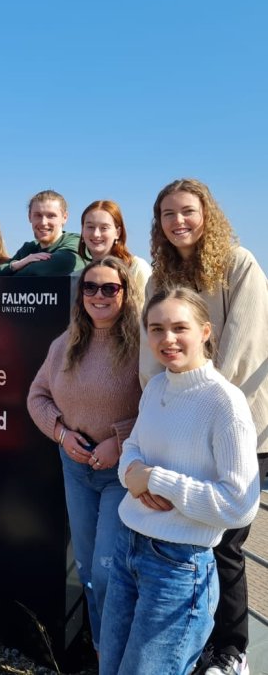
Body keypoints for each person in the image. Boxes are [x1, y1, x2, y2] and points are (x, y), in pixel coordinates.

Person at [140, 178, 268, 675]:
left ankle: (232, 651)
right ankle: (196, 642)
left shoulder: (239, 265)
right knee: (189, 540)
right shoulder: (161, 276)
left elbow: (241, 353)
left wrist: (197, 406)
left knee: (226, 544)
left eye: (188, 211)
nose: (179, 221)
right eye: (168, 213)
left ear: (206, 214)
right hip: (176, 427)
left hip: (235, 425)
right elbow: (151, 356)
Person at [100, 287, 260, 675]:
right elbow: (132, 449)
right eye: (156, 329)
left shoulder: (225, 402)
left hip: (179, 567)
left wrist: (157, 480)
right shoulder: (157, 386)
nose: (167, 339)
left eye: (179, 328)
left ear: (204, 331)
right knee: (110, 664)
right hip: (128, 547)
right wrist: (133, 476)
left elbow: (240, 504)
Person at [27, 256, 142, 655]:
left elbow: (160, 406)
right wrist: (60, 433)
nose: (99, 295)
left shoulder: (143, 346)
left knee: (109, 573)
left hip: (121, 475)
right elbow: (37, 396)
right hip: (76, 470)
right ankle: (102, 652)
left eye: (110, 288)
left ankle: (120, 652)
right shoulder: (65, 344)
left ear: (126, 294)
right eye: (90, 287)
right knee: (89, 574)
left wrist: (119, 440)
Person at [0, 189, 85, 277]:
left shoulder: (75, 242)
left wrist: (12, 274)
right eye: (38, 215)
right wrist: (17, 265)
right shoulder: (28, 249)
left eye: (51, 216)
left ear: (64, 217)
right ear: (29, 217)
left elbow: (60, 264)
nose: (43, 222)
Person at [77, 199, 151, 301]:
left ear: (118, 232)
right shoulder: (77, 277)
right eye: (90, 227)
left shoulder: (136, 268)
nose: (96, 234)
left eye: (104, 228)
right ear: (82, 230)